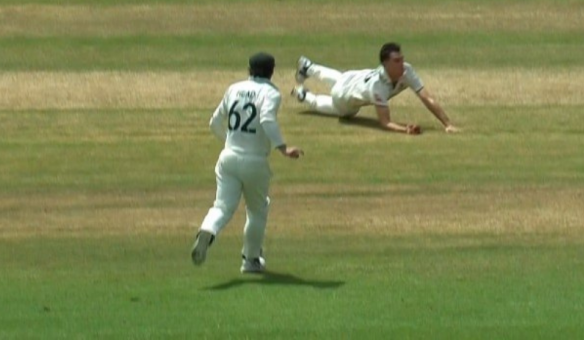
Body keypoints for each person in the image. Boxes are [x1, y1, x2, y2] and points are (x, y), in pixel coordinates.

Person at [191, 52, 304, 274]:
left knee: (222, 207)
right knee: (257, 210)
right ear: (272, 71)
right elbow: (267, 119)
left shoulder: (234, 89)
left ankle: (207, 230)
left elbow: (214, 123)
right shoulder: (271, 93)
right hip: (255, 161)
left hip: (228, 157)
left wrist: (231, 142)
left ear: (249, 69)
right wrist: (283, 148)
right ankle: (250, 260)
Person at [291, 42, 460, 135]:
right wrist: (405, 129)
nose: (402, 64)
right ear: (385, 64)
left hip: (352, 77)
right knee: (344, 112)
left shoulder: (407, 70)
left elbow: (426, 97)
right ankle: (304, 96)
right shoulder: (378, 87)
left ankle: (309, 67)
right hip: (344, 97)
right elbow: (385, 122)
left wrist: (447, 124)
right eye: (396, 61)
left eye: (402, 59)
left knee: (340, 78)